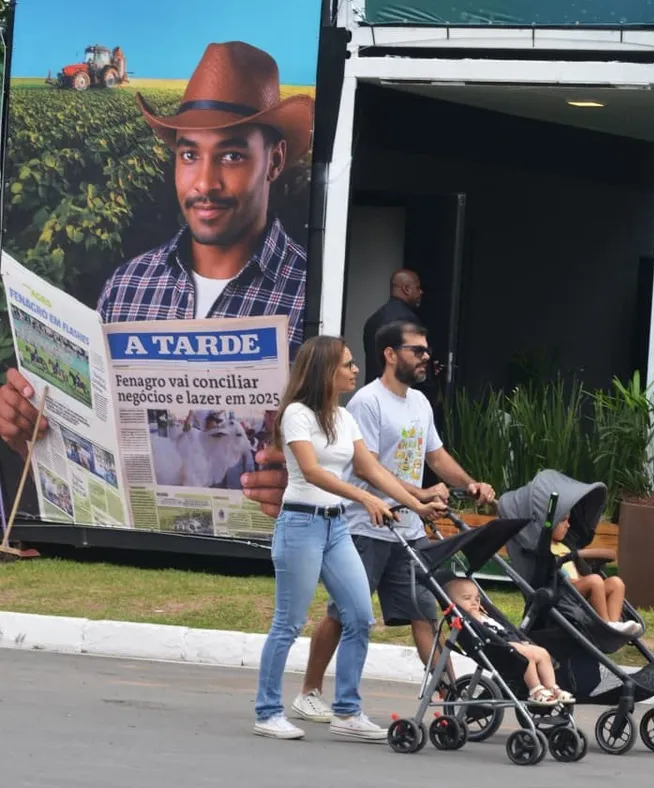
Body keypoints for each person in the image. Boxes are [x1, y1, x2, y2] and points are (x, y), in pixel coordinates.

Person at [0, 41, 312, 499]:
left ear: (275, 161)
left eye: (231, 155)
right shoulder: (127, 287)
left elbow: (352, 461)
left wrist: (304, 486)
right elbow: (94, 464)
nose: (204, 183)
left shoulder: (310, 297)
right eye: (189, 155)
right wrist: (31, 432)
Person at [290, 320, 496, 724]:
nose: (425, 358)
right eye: (417, 351)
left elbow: (435, 458)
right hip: (366, 528)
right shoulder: (367, 402)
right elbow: (368, 470)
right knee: (343, 614)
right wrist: (419, 495)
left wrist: (470, 483)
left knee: (425, 615)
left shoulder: (419, 402)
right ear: (390, 354)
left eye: (426, 351)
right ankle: (309, 692)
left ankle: (450, 696)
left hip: (409, 531)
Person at [254, 335, 446, 740]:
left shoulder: (343, 417)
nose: (355, 370)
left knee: (360, 616)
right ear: (326, 370)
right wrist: (364, 498)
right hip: (302, 524)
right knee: (288, 623)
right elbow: (311, 471)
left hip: (336, 527)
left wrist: (416, 502)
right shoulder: (297, 415)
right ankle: (267, 711)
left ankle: (347, 711)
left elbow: (373, 470)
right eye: (347, 364)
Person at [445, 577, 575, 706]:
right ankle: (536, 690)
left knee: (542, 652)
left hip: (508, 642)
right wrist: (474, 617)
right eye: (467, 598)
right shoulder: (465, 618)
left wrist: (518, 640)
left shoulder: (484, 614)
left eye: (477, 598)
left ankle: (552, 687)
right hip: (495, 648)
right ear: (453, 603)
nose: (474, 603)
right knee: (524, 655)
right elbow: (481, 633)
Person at [551, 515, 642, 637]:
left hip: (578, 588)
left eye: (568, 520)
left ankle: (614, 624)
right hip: (564, 592)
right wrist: (585, 581)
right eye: (563, 521)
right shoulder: (545, 549)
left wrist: (583, 579)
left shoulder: (564, 547)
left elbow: (574, 572)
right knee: (595, 580)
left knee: (616, 582)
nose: (568, 525)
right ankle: (605, 623)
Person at [362, 270, 425, 385]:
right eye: (418, 288)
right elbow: (414, 362)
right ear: (406, 289)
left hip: (375, 388)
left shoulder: (372, 320)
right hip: (398, 391)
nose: (421, 292)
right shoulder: (409, 323)